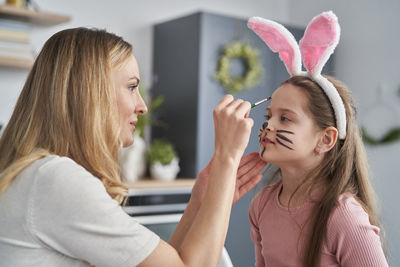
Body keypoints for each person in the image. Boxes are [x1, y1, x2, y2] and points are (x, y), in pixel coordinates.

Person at [0, 27, 267, 266]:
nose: (143, 106)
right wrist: (226, 158)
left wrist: (200, 201)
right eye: (131, 87)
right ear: (92, 94)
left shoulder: (37, 175)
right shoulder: (55, 180)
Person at [247, 12, 388, 267]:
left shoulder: (343, 216)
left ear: (325, 140)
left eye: (286, 118)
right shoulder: (261, 205)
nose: (268, 125)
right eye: (269, 116)